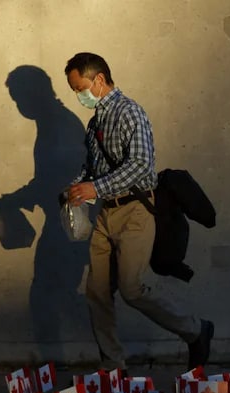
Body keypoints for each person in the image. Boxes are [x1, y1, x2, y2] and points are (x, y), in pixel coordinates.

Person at [64, 52, 212, 372]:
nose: (78, 96)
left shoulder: (131, 112)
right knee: (97, 292)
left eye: (80, 88)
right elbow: (92, 169)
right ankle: (113, 367)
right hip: (105, 214)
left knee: (132, 288)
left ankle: (196, 330)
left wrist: (95, 189)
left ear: (99, 80)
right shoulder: (95, 123)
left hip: (136, 211)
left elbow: (141, 166)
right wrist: (76, 189)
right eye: (74, 90)